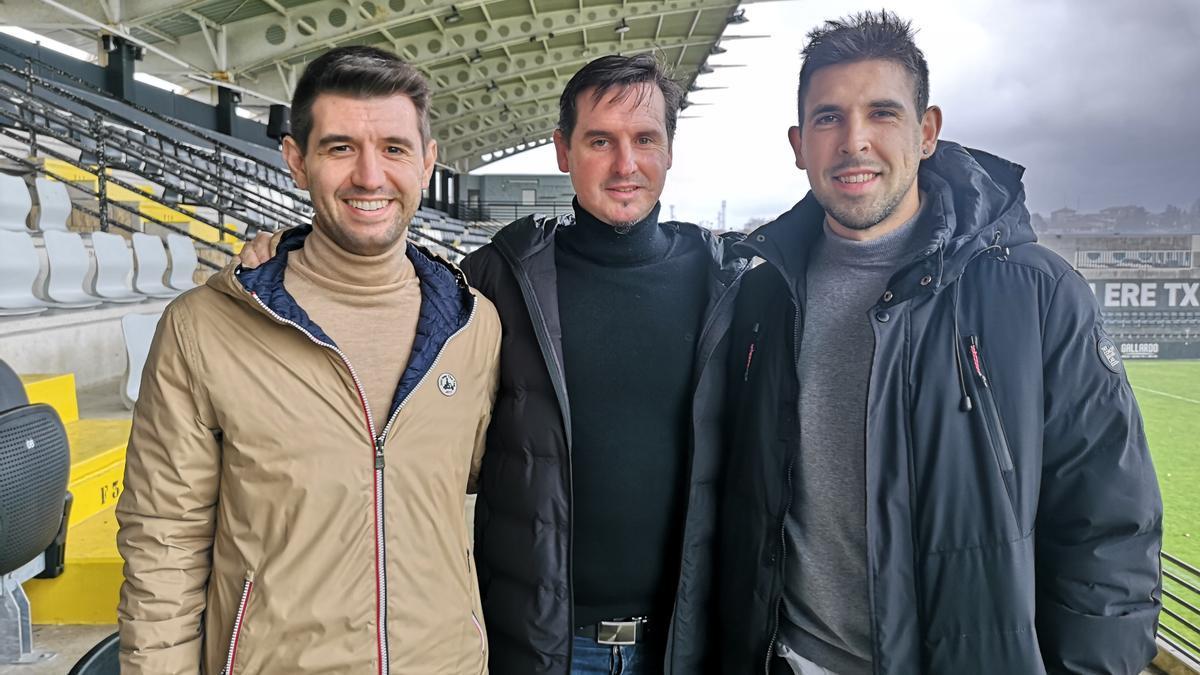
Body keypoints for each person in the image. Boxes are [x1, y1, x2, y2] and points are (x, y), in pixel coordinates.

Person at [718, 11, 1162, 675]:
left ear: (927, 132)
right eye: (829, 117)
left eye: (883, 113)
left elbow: (1111, 533)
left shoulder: (1039, 295)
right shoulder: (762, 299)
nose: (855, 140)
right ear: (798, 141)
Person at [116, 46, 501, 674]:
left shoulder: (474, 326)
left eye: (396, 150)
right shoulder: (204, 328)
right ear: (297, 161)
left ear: (428, 164)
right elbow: (164, 540)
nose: (371, 176)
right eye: (340, 148)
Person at [460, 54, 744, 675]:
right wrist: (289, 256)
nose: (625, 165)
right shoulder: (497, 281)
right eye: (600, 141)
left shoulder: (730, 287)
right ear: (563, 151)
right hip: (544, 644)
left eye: (645, 139)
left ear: (669, 150)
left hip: (685, 640)